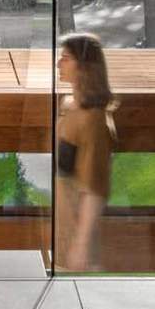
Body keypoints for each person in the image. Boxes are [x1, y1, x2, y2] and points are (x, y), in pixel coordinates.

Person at [55, 31, 116, 271]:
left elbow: (94, 190)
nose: (59, 63)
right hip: (60, 233)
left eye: (66, 58)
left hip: (76, 247)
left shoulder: (95, 122)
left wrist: (80, 246)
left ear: (85, 67)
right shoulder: (70, 106)